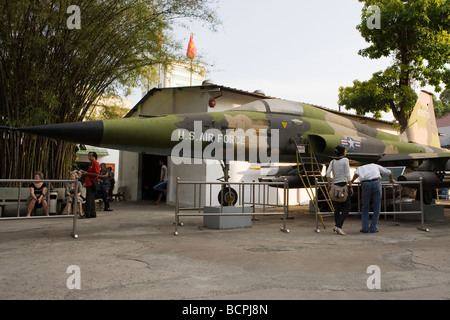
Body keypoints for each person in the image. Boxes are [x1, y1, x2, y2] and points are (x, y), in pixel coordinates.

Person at [351, 163, 395, 233]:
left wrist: (352, 181)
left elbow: (356, 174)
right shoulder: (375, 165)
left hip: (365, 184)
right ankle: (373, 227)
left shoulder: (360, 168)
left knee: (365, 206)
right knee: (377, 206)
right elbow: (389, 172)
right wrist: (391, 180)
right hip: (376, 183)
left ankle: (365, 228)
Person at [326, 146, 353, 235]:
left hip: (335, 186)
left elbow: (327, 174)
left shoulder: (332, 161)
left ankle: (337, 226)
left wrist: (329, 184)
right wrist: (350, 186)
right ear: (343, 152)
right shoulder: (345, 160)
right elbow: (347, 174)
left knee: (337, 208)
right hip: (343, 186)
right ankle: (338, 226)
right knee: (347, 207)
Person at [81, 152, 100, 218]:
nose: (89, 157)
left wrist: (87, 173)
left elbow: (97, 174)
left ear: (94, 157)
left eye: (90, 156)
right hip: (89, 183)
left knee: (89, 199)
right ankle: (92, 213)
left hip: (92, 183)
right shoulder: (91, 164)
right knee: (91, 199)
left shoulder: (96, 163)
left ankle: (87, 214)